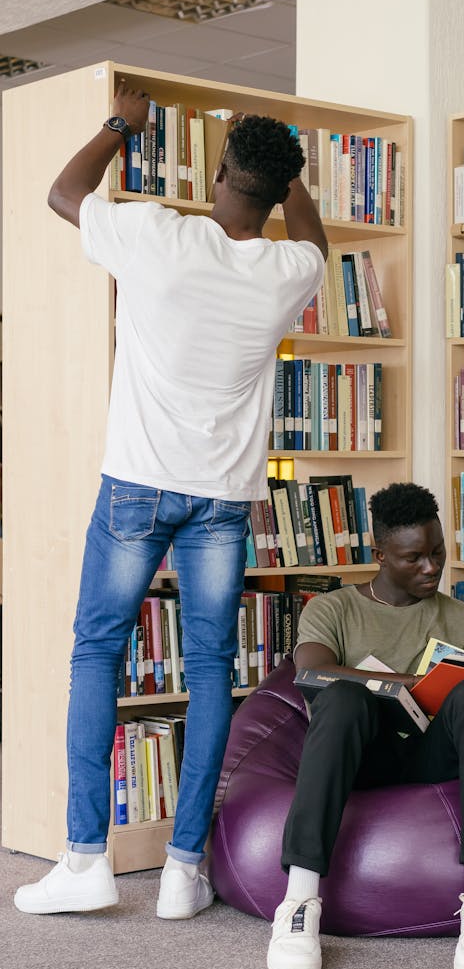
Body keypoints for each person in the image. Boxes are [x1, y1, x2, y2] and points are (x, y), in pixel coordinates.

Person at [14, 82, 327, 919]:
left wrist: (124, 124)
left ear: (221, 170)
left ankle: (86, 858)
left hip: (138, 485)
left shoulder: (159, 235)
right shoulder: (288, 272)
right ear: (278, 188)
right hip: (222, 501)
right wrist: (285, 177)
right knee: (212, 670)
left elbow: (63, 194)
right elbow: (315, 240)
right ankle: (184, 867)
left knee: (96, 652)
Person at [267, 482, 464, 969]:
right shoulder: (334, 609)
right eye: (414, 558)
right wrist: (409, 683)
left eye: (437, 553)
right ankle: (299, 903)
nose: (431, 568)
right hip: (358, 756)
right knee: (342, 696)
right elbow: (311, 671)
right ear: (380, 554)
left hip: (433, 754)